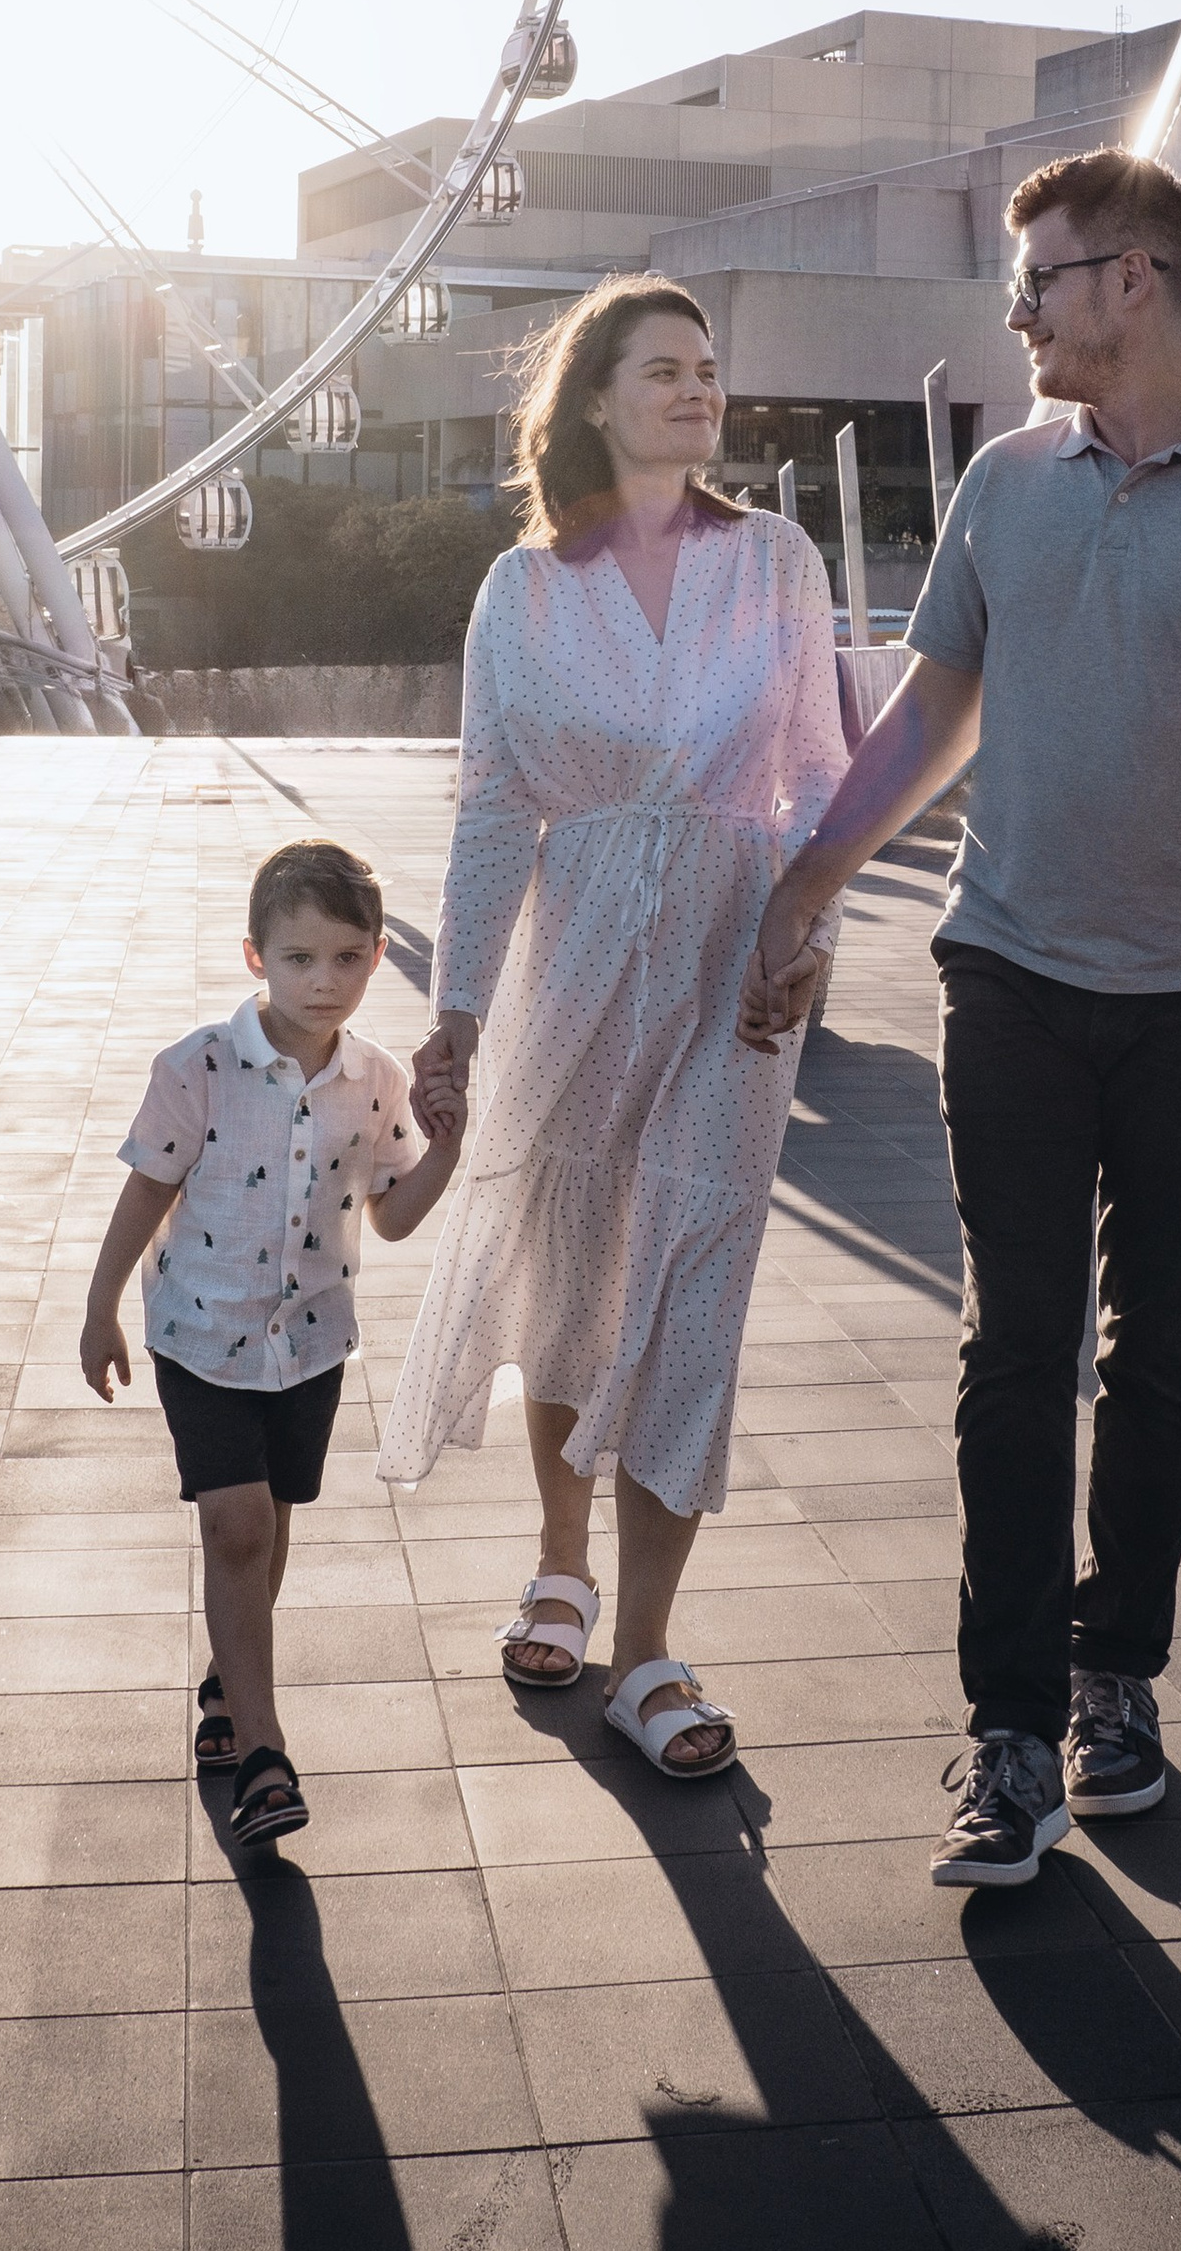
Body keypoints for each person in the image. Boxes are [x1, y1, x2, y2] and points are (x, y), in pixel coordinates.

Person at [743, 147, 1181, 1889]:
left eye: (1044, 277)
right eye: (1018, 280)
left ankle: (1121, 1680)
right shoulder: (1007, 488)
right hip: (1013, 976)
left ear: (1142, 280)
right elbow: (932, 713)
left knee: (1157, 1358)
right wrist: (812, 879)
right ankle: (1013, 1726)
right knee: (1015, 1349)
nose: (1018, 308)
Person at [382, 275, 849, 1780]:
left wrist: (811, 933)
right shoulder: (522, 592)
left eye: (710, 368)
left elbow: (820, 776)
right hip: (570, 960)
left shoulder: (775, 559)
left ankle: (649, 1642)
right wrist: (454, 1014)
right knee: (572, 1265)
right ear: (593, 397)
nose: (698, 388)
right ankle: (560, 1553)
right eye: (665, 368)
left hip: (735, 966)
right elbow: (490, 806)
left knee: (692, 1276)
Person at [80, 839, 464, 1847]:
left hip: (311, 1344)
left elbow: (392, 1216)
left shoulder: (375, 1078)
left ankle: (225, 1687)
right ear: (256, 957)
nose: (322, 979)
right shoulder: (197, 1065)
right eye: (299, 957)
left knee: (273, 1523)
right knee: (237, 1526)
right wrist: (100, 1303)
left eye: (345, 956)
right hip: (200, 1336)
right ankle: (263, 1752)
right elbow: (147, 1187)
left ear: (377, 954)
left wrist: (451, 1141)